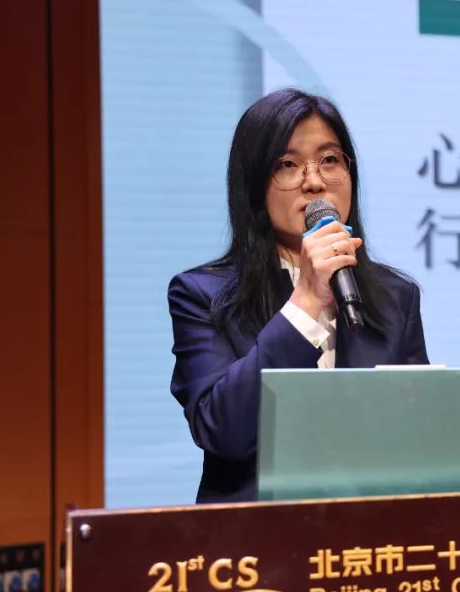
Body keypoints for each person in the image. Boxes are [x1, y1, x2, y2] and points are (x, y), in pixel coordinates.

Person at [168, 88, 428, 504]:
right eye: (287, 165)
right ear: (253, 183)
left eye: (330, 160)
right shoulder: (203, 295)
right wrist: (305, 302)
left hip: (368, 532)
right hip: (256, 537)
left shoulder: (397, 297)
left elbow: (418, 436)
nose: (314, 182)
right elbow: (223, 432)